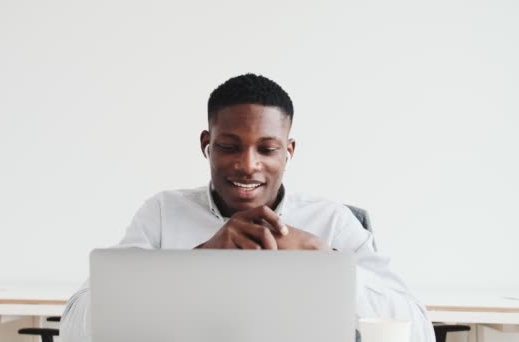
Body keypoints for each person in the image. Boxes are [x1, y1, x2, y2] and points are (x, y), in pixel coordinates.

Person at [60, 73, 436, 342]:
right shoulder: (162, 213)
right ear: (207, 143)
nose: (248, 164)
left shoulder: (332, 222)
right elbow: (75, 326)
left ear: (288, 152)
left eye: (267, 149)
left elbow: (417, 330)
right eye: (229, 146)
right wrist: (199, 260)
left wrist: (326, 262)